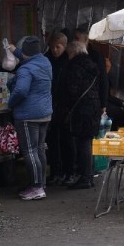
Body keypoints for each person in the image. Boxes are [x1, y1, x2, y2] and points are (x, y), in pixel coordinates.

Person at [7, 36, 53, 201]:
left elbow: (20, 91)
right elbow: (27, 56)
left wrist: (10, 103)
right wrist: (14, 50)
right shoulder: (45, 63)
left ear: (25, 54)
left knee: (30, 151)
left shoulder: (25, 70)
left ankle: (36, 187)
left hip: (28, 115)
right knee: (39, 149)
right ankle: (42, 183)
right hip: (45, 114)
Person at [60, 41, 102, 190]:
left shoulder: (74, 67)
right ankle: (89, 176)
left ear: (72, 52)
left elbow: (72, 90)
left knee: (82, 143)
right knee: (88, 143)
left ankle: (85, 178)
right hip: (94, 107)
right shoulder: (92, 64)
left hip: (81, 109)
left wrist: (66, 106)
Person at [43, 32, 70, 185]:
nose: (54, 50)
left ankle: (66, 171)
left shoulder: (68, 61)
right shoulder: (47, 60)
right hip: (51, 104)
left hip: (63, 105)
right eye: (52, 47)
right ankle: (55, 172)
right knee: (53, 142)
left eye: (57, 47)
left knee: (65, 141)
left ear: (64, 47)